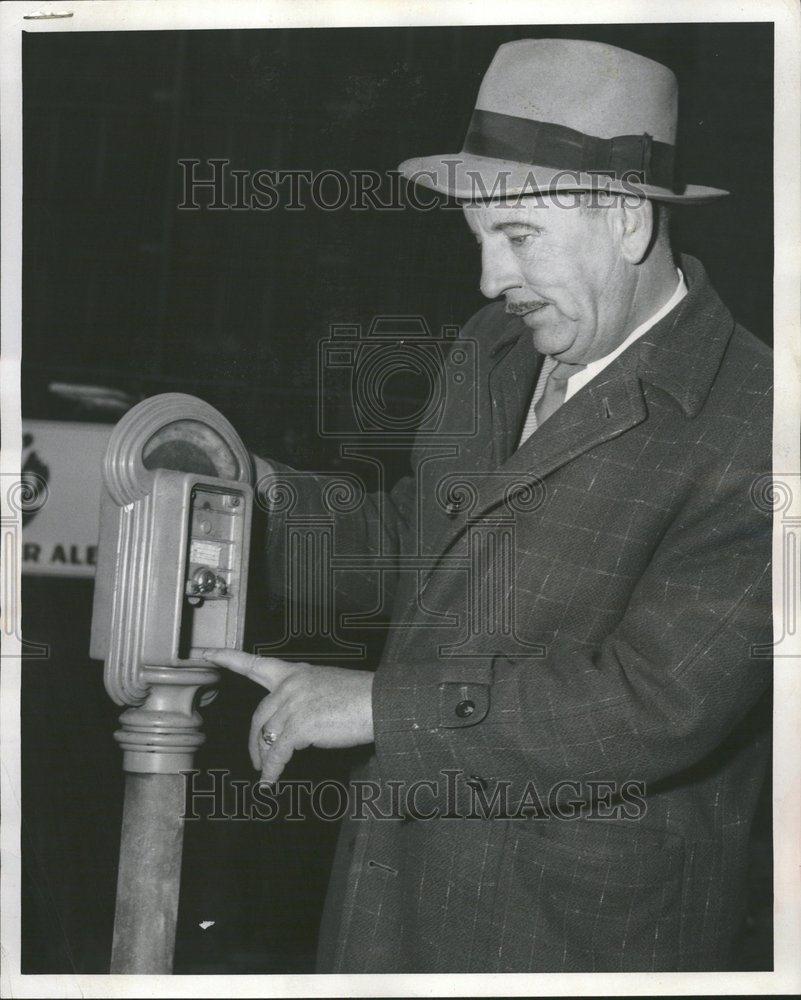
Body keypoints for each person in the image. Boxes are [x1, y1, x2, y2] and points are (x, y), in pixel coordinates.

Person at [204, 38, 772, 972]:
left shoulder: (760, 425)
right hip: (394, 892)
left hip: (576, 936)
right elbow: (424, 543)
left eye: (517, 237)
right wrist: (257, 493)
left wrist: (384, 709)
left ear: (628, 219)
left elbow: (655, 702)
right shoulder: (493, 349)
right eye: (477, 237)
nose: (487, 279)